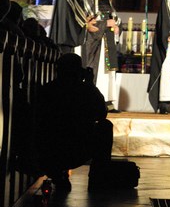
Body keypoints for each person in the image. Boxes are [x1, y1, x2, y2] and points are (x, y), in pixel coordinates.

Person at [34, 53, 113, 192]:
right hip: (79, 148)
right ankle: (98, 179)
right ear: (79, 72)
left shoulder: (46, 90)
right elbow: (101, 114)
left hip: (50, 151)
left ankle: (58, 173)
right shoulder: (85, 90)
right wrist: (90, 84)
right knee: (105, 127)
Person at [83, 0, 120, 108]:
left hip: (108, 43)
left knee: (108, 74)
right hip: (96, 45)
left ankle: (108, 101)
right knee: (97, 72)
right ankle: (95, 102)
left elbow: (115, 20)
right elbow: (89, 26)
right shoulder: (89, 5)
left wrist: (116, 26)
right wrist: (106, 24)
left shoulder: (107, 3)